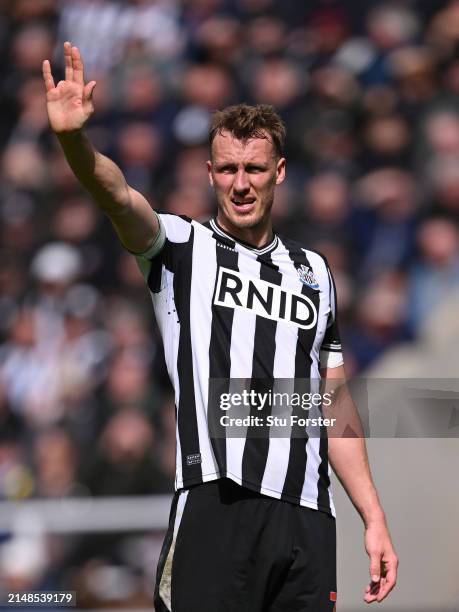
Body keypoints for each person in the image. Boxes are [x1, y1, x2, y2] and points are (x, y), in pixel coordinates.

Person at [42, 42, 398, 611]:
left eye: (254, 168)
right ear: (209, 173)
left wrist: (373, 517)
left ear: (279, 172)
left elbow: (333, 404)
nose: (240, 183)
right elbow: (115, 196)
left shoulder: (315, 273)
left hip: (307, 519)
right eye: (227, 169)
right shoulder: (182, 247)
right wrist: (73, 141)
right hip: (217, 504)